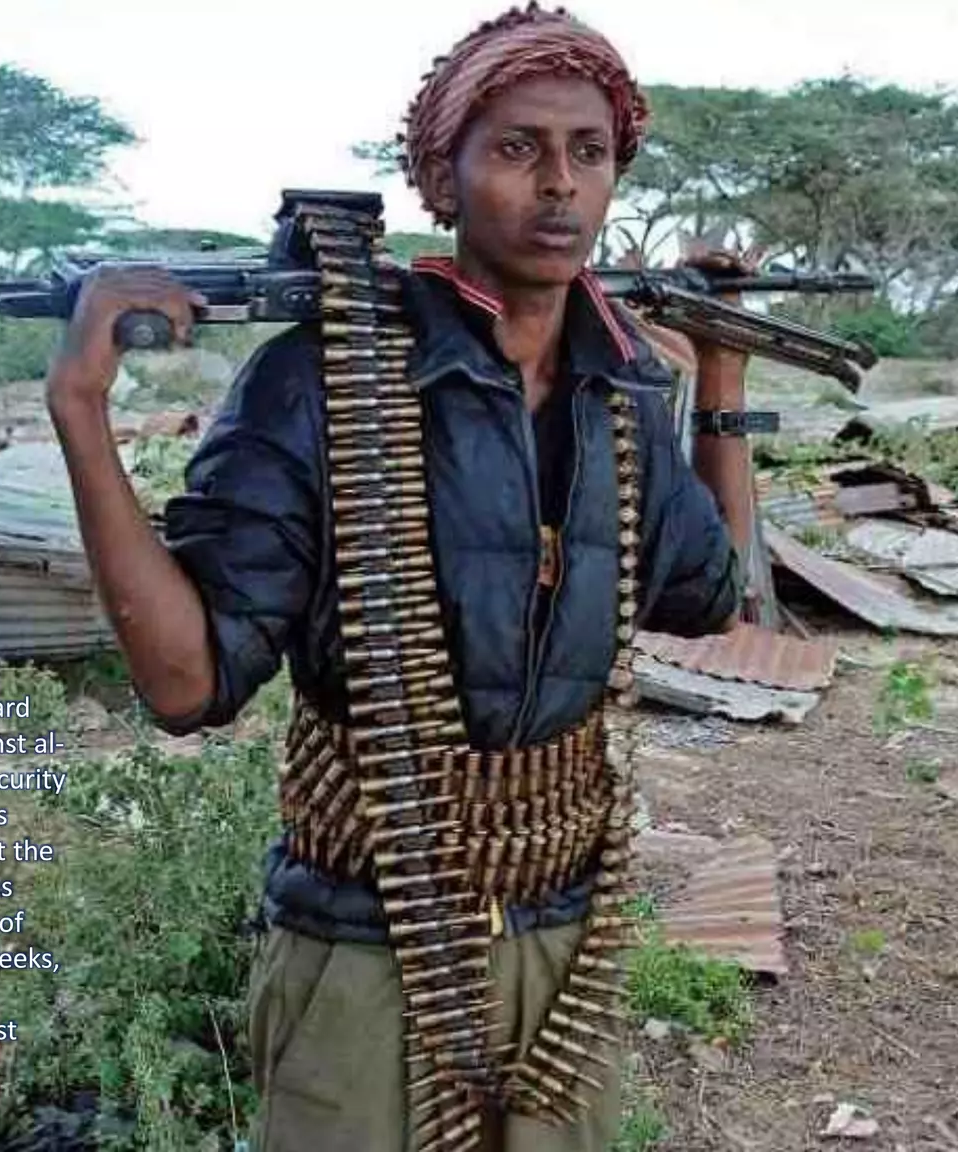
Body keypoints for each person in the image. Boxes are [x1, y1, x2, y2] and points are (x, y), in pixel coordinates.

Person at [41, 6, 756, 1150]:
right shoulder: (321, 384)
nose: (559, 187)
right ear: (442, 176)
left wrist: (718, 370)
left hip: (567, 934)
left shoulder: (617, 393)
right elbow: (186, 687)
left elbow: (712, 597)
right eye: (517, 148)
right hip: (367, 936)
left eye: (589, 152)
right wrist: (80, 412)